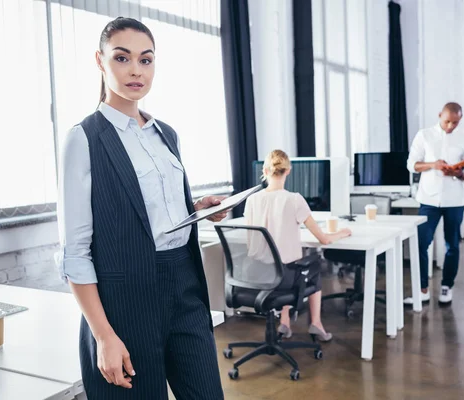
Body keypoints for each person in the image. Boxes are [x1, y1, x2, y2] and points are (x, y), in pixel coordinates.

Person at [56, 17, 225, 399]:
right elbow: (75, 252)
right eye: (122, 58)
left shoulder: (166, 133)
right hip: (125, 300)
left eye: (146, 60)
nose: (136, 70)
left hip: (184, 286)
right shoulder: (83, 139)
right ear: (100, 62)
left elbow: (149, 212)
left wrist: (198, 209)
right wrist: (103, 335)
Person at [243, 150, 352, 341]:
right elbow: (324, 240)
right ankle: (316, 324)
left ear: (265, 171)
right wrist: (343, 232)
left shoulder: (252, 200)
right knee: (312, 266)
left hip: (256, 273)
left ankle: (285, 322)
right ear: (289, 171)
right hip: (283, 277)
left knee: (285, 263)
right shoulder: (294, 199)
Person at [404, 103, 464, 305]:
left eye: (455, 122)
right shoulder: (424, 135)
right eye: (447, 121)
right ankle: (422, 290)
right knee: (421, 243)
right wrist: (433, 165)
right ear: (439, 115)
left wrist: (459, 173)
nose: (451, 126)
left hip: (455, 200)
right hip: (428, 199)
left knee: (452, 245)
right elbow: (412, 165)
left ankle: (447, 286)